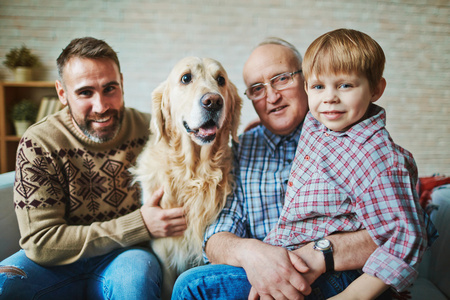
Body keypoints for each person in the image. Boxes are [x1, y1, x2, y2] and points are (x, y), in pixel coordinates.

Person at [172, 37, 380, 300]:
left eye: (282, 78)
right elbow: (218, 233)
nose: (272, 96)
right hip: (262, 275)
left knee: (193, 287)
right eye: (257, 89)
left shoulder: (345, 132)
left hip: (339, 276)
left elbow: (399, 228)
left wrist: (321, 252)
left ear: (306, 80)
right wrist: (254, 256)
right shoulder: (242, 149)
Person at [0, 37, 186, 299]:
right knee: (4, 283)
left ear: (122, 82)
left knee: (135, 281)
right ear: (62, 93)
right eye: (85, 92)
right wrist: (140, 224)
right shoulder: (39, 143)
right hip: (53, 265)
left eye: (110, 88)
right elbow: (41, 244)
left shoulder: (150, 129)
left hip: (127, 256)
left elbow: (199, 143)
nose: (101, 106)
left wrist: (249, 133)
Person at [264, 28, 430, 299]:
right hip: (295, 258)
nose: (329, 97)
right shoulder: (319, 123)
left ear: (376, 89)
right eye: (319, 86)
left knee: (195, 285)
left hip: (340, 279)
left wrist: (353, 296)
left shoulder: (378, 158)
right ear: (307, 89)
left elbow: (406, 236)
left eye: (345, 85)